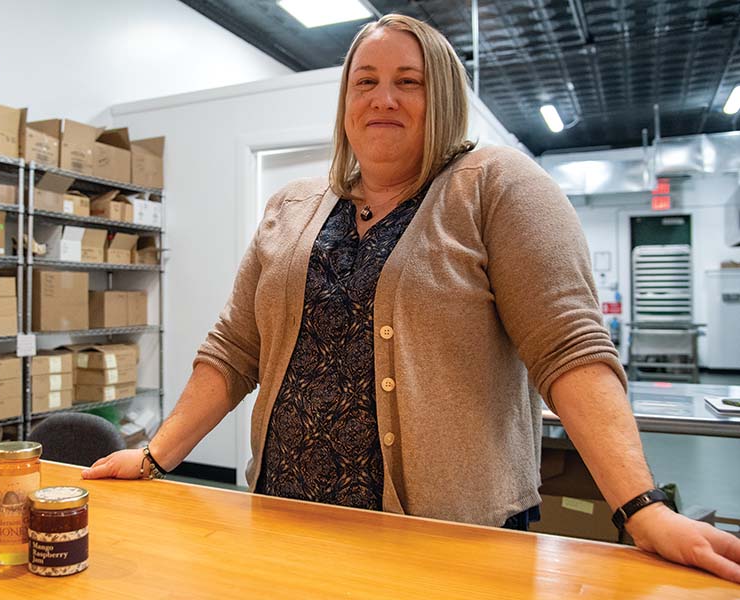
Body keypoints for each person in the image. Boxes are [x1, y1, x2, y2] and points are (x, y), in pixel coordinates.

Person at [84, 14, 740, 583]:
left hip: (444, 534)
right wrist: (153, 455)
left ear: (444, 97)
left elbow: (569, 349)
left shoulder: (497, 185)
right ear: (345, 101)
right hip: (285, 511)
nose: (383, 99)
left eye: (409, 81)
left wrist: (641, 506)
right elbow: (232, 351)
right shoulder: (292, 204)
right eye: (365, 81)